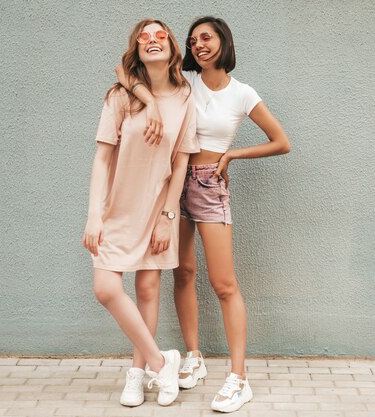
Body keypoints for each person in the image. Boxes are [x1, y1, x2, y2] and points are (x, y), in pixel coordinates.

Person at [116, 16, 290, 413]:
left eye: (206, 38)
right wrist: (147, 103)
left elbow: (281, 142)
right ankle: (193, 357)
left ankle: (239, 378)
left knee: (223, 283)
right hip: (171, 183)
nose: (198, 46)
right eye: (193, 41)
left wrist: (232, 154)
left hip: (210, 185)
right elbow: (125, 71)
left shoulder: (243, 94)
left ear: (223, 42)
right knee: (182, 272)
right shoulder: (184, 80)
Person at [83, 19, 200, 408]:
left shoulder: (186, 97)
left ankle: (137, 375)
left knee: (148, 289)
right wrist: (94, 216)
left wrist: (168, 217)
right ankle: (160, 360)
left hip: (156, 208)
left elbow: (180, 162)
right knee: (106, 288)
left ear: (171, 45)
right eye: (143, 37)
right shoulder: (120, 96)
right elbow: (102, 159)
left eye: (160, 34)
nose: (152, 40)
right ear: (135, 48)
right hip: (117, 208)